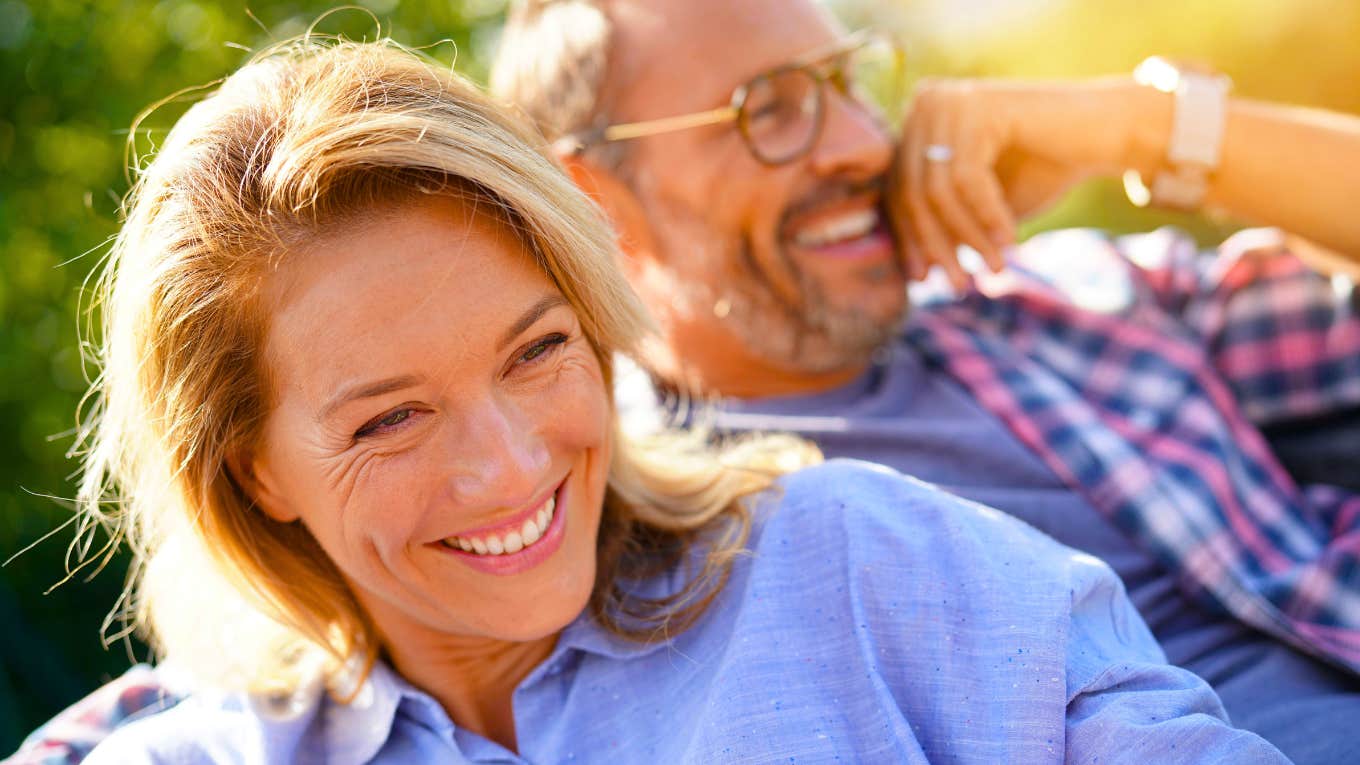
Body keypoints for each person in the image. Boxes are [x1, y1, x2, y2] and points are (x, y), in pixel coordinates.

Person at [4, 35, 1291, 765]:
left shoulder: (862, 563)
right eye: (388, 419)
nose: (508, 469)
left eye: (537, 351)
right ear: (254, 472)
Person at [488, 0, 1360, 763]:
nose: (867, 144)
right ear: (593, 203)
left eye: (850, 82)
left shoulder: (1062, 299)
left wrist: (1145, 125)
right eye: (772, 110)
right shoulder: (631, 531)